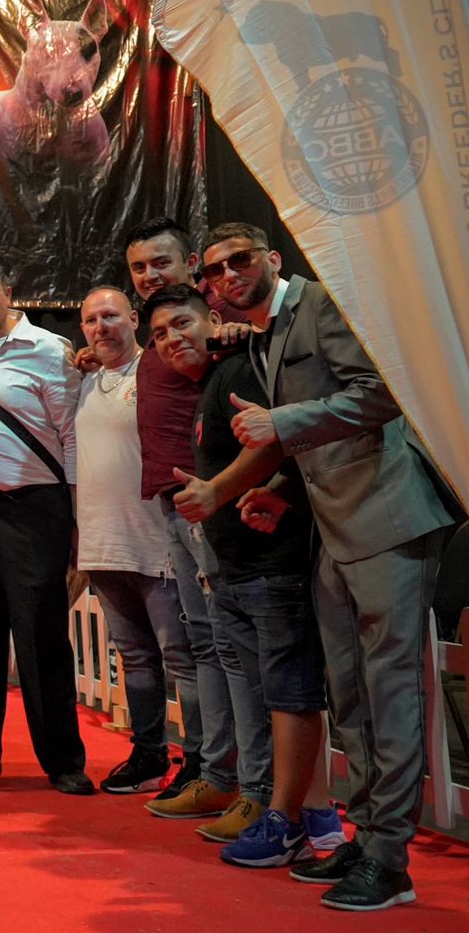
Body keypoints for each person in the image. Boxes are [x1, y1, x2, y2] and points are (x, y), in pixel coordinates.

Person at [197, 224, 455, 910]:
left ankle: (390, 860)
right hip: (333, 530)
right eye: (214, 269)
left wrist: (283, 422)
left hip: (389, 518)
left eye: (239, 260)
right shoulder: (263, 333)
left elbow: (386, 393)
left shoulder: (323, 302)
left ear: (272, 259)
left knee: (389, 692)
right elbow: (329, 438)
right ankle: (366, 838)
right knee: (349, 694)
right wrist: (281, 490)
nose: (227, 275)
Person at [146, 284, 343, 868]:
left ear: (213, 319)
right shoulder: (215, 378)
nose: (172, 339)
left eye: (182, 324)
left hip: (272, 564)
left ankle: (287, 820)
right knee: (272, 695)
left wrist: (216, 491)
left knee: (290, 695)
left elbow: (276, 441)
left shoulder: (238, 368)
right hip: (237, 566)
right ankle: (316, 820)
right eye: (159, 334)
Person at [0, 260, 90, 794]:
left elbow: (72, 437)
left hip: (34, 510)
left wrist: (77, 518)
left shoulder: (49, 350)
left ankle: (63, 760)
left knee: (40, 636)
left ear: (9, 293)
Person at [118, 218, 245, 817]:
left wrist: (238, 331)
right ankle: (214, 772)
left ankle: (241, 779)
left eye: (161, 262)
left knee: (228, 645)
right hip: (175, 504)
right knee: (205, 644)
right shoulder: (161, 330)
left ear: (191, 264)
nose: (150, 275)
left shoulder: (220, 324)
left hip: (212, 500)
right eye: (139, 267)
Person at [72, 287, 192, 795]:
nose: (101, 327)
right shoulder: (83, 382)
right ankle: (149, 755)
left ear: (135, 319)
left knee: (182, 659)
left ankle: (202, 764)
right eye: (91, 320)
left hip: (157, 543)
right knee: (135, 658)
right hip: (103, 545)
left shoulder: (158, 372)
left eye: (111, 316)